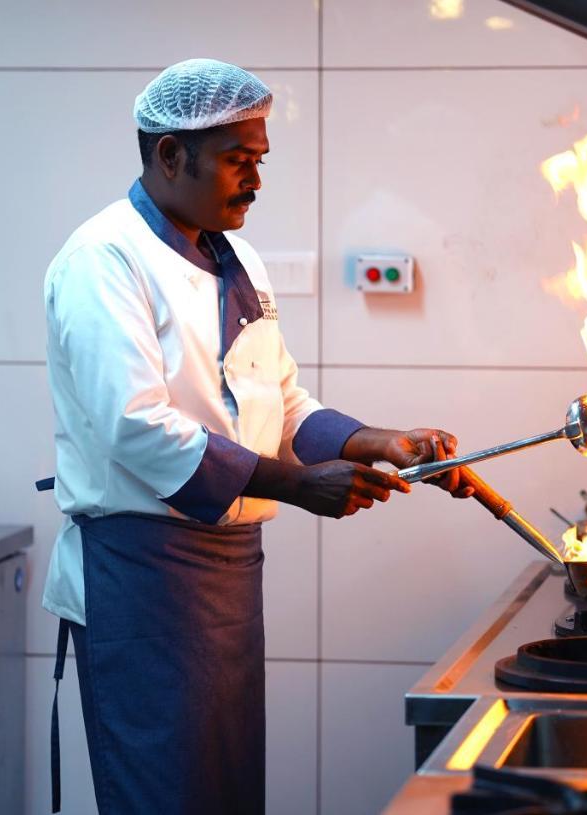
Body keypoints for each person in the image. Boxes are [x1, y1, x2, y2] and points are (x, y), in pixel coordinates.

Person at [40, 58, 471, 814]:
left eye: (260, 160)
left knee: (227, 791)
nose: (257, 180)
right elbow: (135, 427)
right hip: (143, 576)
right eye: (240, 160)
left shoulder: (233, 257)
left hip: (231, 574)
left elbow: (281, 402)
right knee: (163, 792)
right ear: (172, 156)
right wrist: (298, 485)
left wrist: (377, 440)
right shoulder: (104, 259)